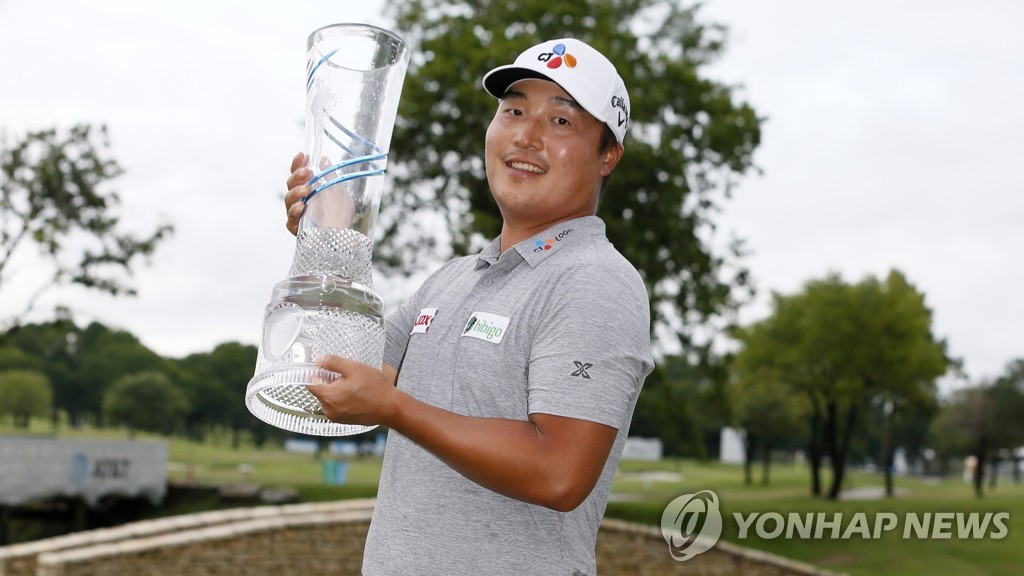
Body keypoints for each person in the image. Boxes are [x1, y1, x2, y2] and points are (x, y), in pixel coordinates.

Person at [284, 37, 654, 576]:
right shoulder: (451, 280)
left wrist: (395, 408)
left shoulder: (596, 280)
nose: (526, 135)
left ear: (608, 157)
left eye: (561, 122)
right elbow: (333, 380)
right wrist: (328, 239)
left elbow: (560, 473)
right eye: (514, 110)